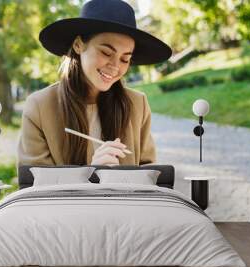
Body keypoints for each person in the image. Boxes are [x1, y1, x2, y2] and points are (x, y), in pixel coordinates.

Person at [17, 0, 172, 167]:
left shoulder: (137, 105)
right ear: (78, 45)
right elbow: (35, 186)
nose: (115, 66)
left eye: (125, 59)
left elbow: (149, 176)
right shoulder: (40, 107)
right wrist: (91, 175)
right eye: (106, 52)